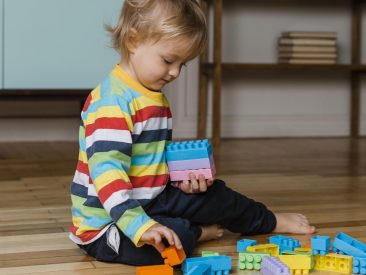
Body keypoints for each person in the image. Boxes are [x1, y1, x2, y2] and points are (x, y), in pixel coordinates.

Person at [69, 0, 316, 266]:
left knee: (217, 196)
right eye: (168, 60)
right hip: (109, 224)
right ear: (132, 40)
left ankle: (269, 219)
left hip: (152, 198)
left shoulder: (151, 94)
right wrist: (141, 227)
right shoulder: (112, 103)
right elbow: (109, 176)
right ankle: (196, 231)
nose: (175, 72)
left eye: (182, 64)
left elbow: (151, 161)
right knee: (167, 245)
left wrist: (180, 181)